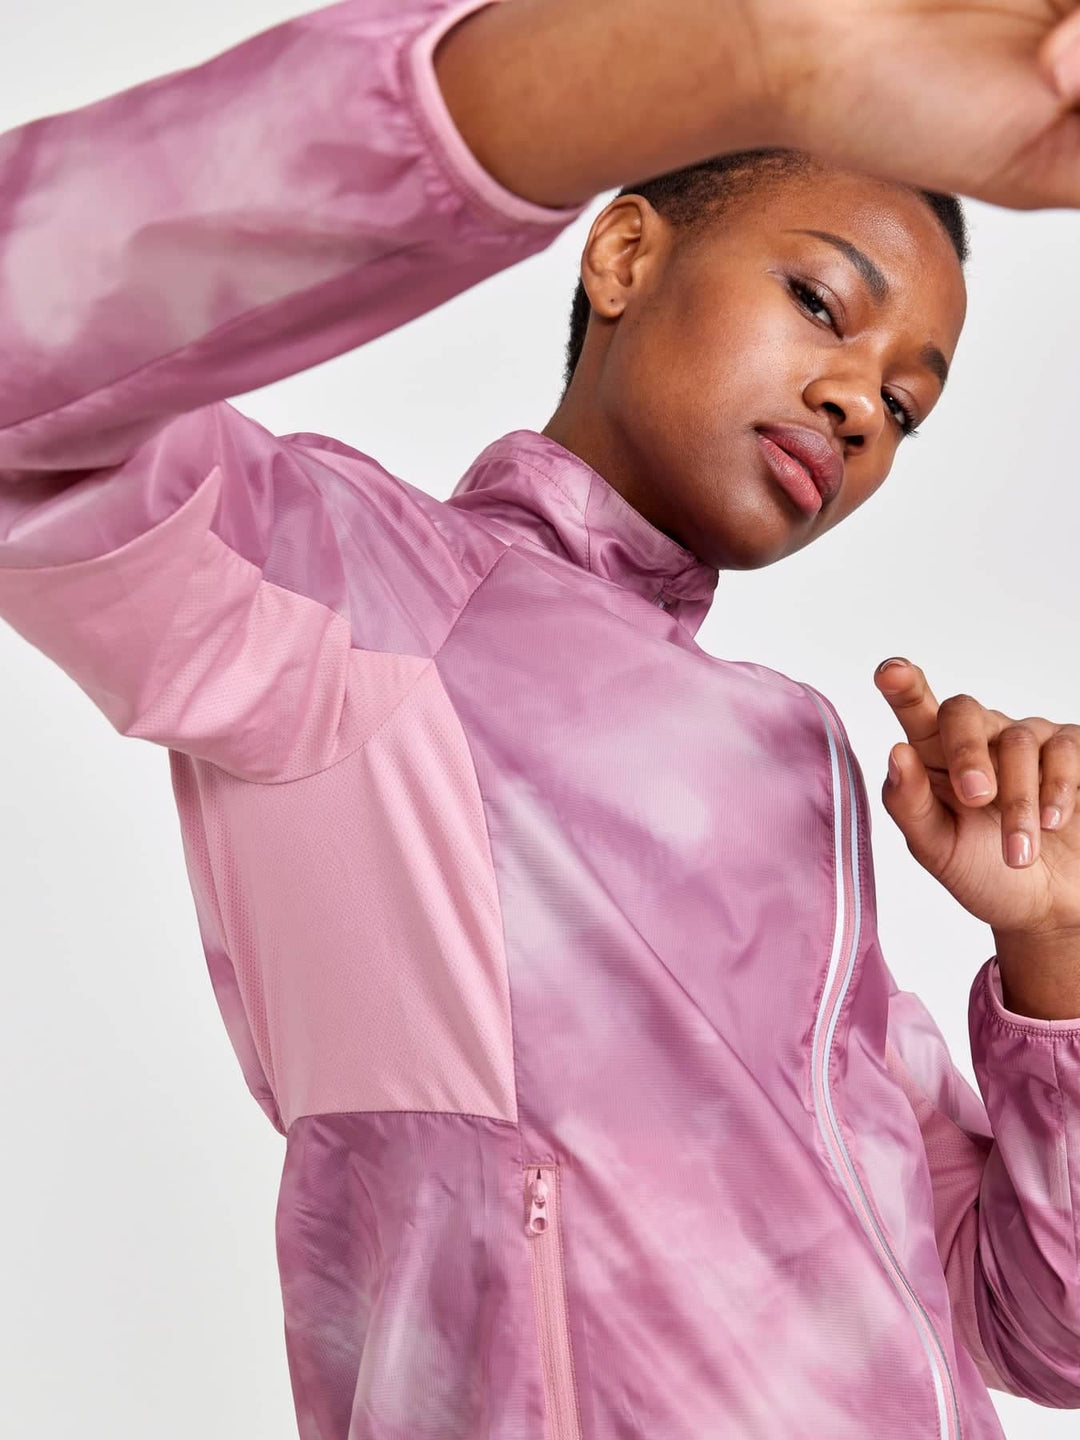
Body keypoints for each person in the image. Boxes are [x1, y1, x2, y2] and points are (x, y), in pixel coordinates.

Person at [3, 0, 1080, 1435]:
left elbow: (1039, 1328)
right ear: (625, 254)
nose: (856, 406)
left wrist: (1055, 951)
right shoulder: (365, 595)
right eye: (822, 302)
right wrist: (749, 55)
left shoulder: (795, 773)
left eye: (904, 402)